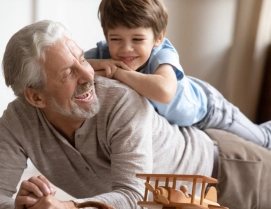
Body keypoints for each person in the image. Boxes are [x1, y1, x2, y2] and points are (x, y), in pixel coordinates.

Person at [0, 20, 271, 209]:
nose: (88, 73)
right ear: (35, 97)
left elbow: (131, 194)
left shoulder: (121, 102)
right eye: (68, 72)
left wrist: (69, 207)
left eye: (81, 59)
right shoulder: (17, 120)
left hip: (232, 172)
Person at [85, 0, 271, 150]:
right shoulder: (104, 54)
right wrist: (100, 64)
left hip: (209, 110)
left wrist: (117, 72)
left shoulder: (163, 52)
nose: (126, 48)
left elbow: (164, 92)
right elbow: (70, 66)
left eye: (137, 39)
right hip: (184, 125)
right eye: (116, 39)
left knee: (262, 141)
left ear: (158, 37)